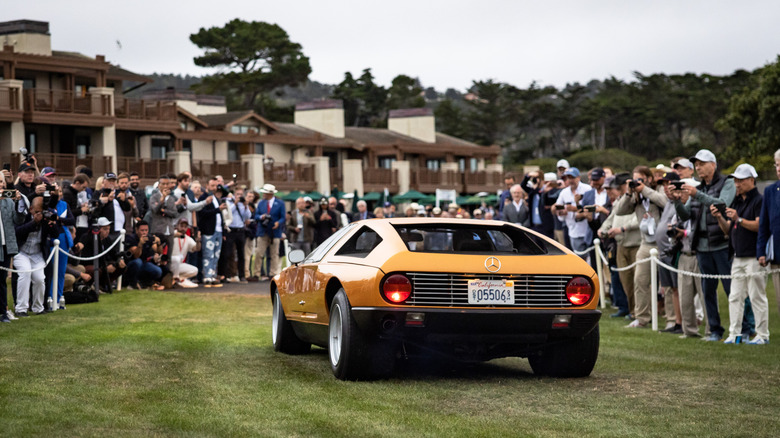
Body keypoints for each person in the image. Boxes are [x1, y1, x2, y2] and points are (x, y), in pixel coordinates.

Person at [673, 149, 744, 341]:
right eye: (696, 164)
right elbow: (686, 215)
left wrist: (697, 194)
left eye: (702, 164)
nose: (698, 167)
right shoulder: (699, 189)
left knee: (732, 289)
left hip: (722, 244)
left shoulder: (727, 182)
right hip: (702, 247)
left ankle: (744, 328)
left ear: (713, 165)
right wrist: (676, 201)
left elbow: (722, 204)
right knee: (708, 292)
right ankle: (715, 330)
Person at [713, 164, 768, 345]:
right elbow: (728, 230)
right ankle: (735, 334)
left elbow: (760, 226)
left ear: (752, 180)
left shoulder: (759, 200)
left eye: (741, 180)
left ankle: (762, 335)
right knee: (735, 297)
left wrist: (739, 219)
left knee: (756, 296)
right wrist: (720, 217)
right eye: (736, 180)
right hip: (737, 256)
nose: (737, 184)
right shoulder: (737, 202)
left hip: (754, 256)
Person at [616, 166, 668, 328]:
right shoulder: (635, 196)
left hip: (664, 243)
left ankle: (673, 320)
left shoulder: (659, 189)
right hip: (646, 243)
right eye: (635, 179)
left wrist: (644, 189)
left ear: (649, 179)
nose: (637, 183)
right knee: (640, 280)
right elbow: (620, 211)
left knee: (668, 284)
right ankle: (642, 318)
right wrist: (628, 193)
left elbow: (665, 202)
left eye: (640, 179)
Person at [599, 173, 640, 319]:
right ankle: (629, 309)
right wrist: (603, 229)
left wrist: (622, 229)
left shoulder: (637, 198)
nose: (617, 189)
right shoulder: (620, 200)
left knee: (637, 280)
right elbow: (612, 217)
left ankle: (638, 312)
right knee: (625, 280)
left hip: (635, 244)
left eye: (619, 186)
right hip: (621, 244)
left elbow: (639, 219)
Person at [15, 197, 60, 316]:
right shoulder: (23, 217)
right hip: (22, 252)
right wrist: (33, 222)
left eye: (41, 212)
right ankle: (21, 308)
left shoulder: (46, 219)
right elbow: (17, 232)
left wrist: (52, 224)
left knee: (40, 278)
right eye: (37, 212)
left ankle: (38, 307)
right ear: (31, 209)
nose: (39, 214)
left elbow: (56, 234)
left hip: (37, 253)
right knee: (25, 274)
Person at [655, 171, 683, 333]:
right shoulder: (668, 203)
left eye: (669, 184)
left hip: (674, 252)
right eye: (664, 184)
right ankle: (676, 322)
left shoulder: (680, 202)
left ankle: (682, 323)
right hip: (663, 252)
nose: (666, 187)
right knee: (671, 288)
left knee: (678, 288)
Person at [71, 217, 127, 293]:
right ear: (98, 229)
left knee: (121, 266)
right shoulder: (87, 237)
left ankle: (103, 285)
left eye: (108, 229)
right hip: (88, 264)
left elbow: (113, 254)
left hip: (102, 264)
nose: (107, 231)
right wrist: (104, 267)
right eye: (105, 229)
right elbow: (85, 258)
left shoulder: (107, 239)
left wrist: (118, 260)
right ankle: (87, 285)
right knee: (96, 269)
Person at [757, 148, 780, 315]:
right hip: (778, 257)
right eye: (777, 165)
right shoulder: (770, 191)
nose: (779, 169)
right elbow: (763, 225)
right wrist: (761, 252)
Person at [554, 168, 592, 257]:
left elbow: (592, 208)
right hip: (573, 230)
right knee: (578, 257)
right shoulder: (564, 192)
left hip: (588, 229)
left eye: (572, 177)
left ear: (578, 178)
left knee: (590, 258)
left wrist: (574, 208)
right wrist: (562, 212)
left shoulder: (587, 189)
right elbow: (557, 208)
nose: (570, 180)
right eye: (568, 178)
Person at [253, 184, 285, 281]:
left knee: (274, 254)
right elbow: (256, 215)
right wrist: (261, 217)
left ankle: (273, 273)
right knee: (259, 253)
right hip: (263, 231)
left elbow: (283, 217)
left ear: (270, 194)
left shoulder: (280, 203)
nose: (263, 194)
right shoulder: (261, 203)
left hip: (275, 232)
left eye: (265, 193)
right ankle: (256, 273)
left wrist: (278, 223)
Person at [196, 177, 223, 287]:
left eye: (216, 186)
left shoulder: (216, 198)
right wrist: (218, 210)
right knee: (208, 254)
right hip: (208, 231)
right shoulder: (203, 198)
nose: (214, 188)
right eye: (212, 185)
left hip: (219, 230)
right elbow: (202, 213)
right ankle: (207, 276)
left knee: (216, 254)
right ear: (207, 186)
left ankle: (213, 275)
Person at [0, 177, 19, 322]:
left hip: (5, 245)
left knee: (2, 280)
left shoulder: (8, 201)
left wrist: (18, 203)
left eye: (1, 181)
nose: (0, 184)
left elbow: (18, 220)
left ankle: (3, 312)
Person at [123, 220, 163, 289]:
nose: (144, 232)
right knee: (138, 262)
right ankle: (132, 283)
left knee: (158, 271)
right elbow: (136, 256)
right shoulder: (130, 238)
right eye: (142, 230)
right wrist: (140, 244)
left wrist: (159, 243)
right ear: (137, 230)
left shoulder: (148, 238)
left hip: (144, 264)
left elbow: (158, 251)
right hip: (130, 264)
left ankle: (144, 283)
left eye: (146, 230)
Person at [170, 217, 200, 288]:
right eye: (181, 226)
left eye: (185, 227)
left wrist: (198, 241)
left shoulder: (188, 238)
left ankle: (180, 279)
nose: (183, 228)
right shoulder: (172, 234)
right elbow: (168, 237)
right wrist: (174, 235)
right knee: (176, 259)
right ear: (177, 226)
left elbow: (196, 248)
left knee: (195, 270)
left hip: (179, 264)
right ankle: (176, 280)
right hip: (170, 262)